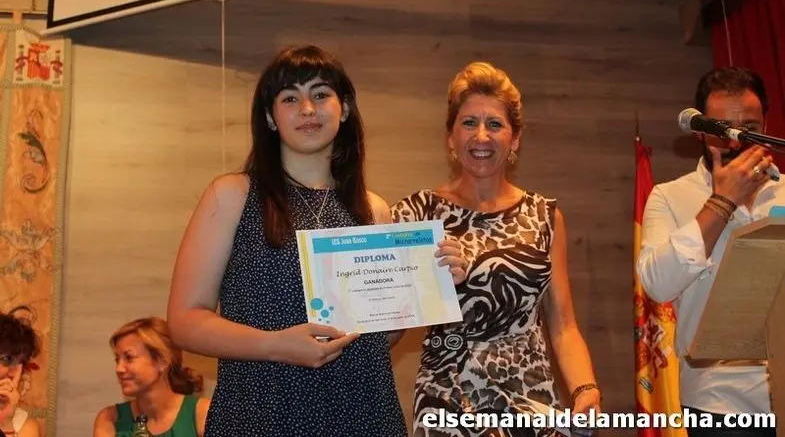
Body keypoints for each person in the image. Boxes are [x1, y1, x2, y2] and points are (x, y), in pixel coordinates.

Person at [166, 45, 468, 436]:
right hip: (263, 415)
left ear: (344, 109)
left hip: (363, 414)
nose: (308, 109)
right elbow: (184, 321)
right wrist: (275, 345)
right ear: (270, 117)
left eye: (321, 94)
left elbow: (380, 337)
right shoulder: (232, 195)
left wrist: (429, 283)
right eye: (290, 98)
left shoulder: (373, 209)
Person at [391, 62, 601, 436]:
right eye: (469, 123)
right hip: (448, 399)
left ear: (515, 139)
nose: (481, 136)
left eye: (495, 124)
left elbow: (564, 324)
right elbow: (385, 318)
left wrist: (585, 389)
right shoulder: (417, 214)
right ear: (450, 137)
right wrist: (425, 284)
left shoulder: (546, 216)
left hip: (531, 401)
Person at [637, 66, 781, 436]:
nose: (736, 143)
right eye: (723, 131)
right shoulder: (670, 197)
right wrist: (722, 202)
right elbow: (657, 284)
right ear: (701, 132)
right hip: (718, 401)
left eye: (749, 129)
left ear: (766, 125)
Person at [92, 316, 210, 437]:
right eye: (117, 359)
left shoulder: (204, 414)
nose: (119, 369)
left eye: (129, 358)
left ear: (162, 362)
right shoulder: (110, 419)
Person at [0, 312, 40, 437]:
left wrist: (6, 423)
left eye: (21, 363)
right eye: (6, 359)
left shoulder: (24, 425)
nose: (14, 372)